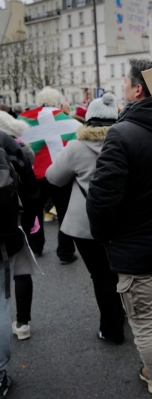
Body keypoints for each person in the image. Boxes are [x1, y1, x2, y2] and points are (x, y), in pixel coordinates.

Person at [87, 59, 152, 398]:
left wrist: (105, 237)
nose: (121, 89)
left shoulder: (122, 133)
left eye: (124, 83)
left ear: (137, 89)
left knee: (145, 323)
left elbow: (102, 200)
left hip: (136, 250)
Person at [46, 93, 125, 344]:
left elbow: (53, 177)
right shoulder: (126, 142)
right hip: (122, 221)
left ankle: (111, 329)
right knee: (122, 272)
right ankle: (123, 314)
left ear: (88, 118)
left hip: (85, 224)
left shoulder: (77, 146)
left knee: (101, 276)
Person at [18, 86, 80, 264]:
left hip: (35, 175)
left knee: (34, 212)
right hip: (61, 173)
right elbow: (79, 135)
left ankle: (36, 247)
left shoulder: (24, 119)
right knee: (64, 213)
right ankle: (66, 252)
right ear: (57, 101)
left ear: (39, 101)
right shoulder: (65, 118)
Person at [0, 129, 39, 398]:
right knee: (0, 304)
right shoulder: (4, 140)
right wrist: (24, 226)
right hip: (4, 238)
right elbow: (28, 177)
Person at [0, 111, 36, 340]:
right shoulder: (15, 146)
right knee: (21, 272)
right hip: (14, 222)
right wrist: (30, 220)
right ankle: (22, 323)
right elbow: (31, 188)